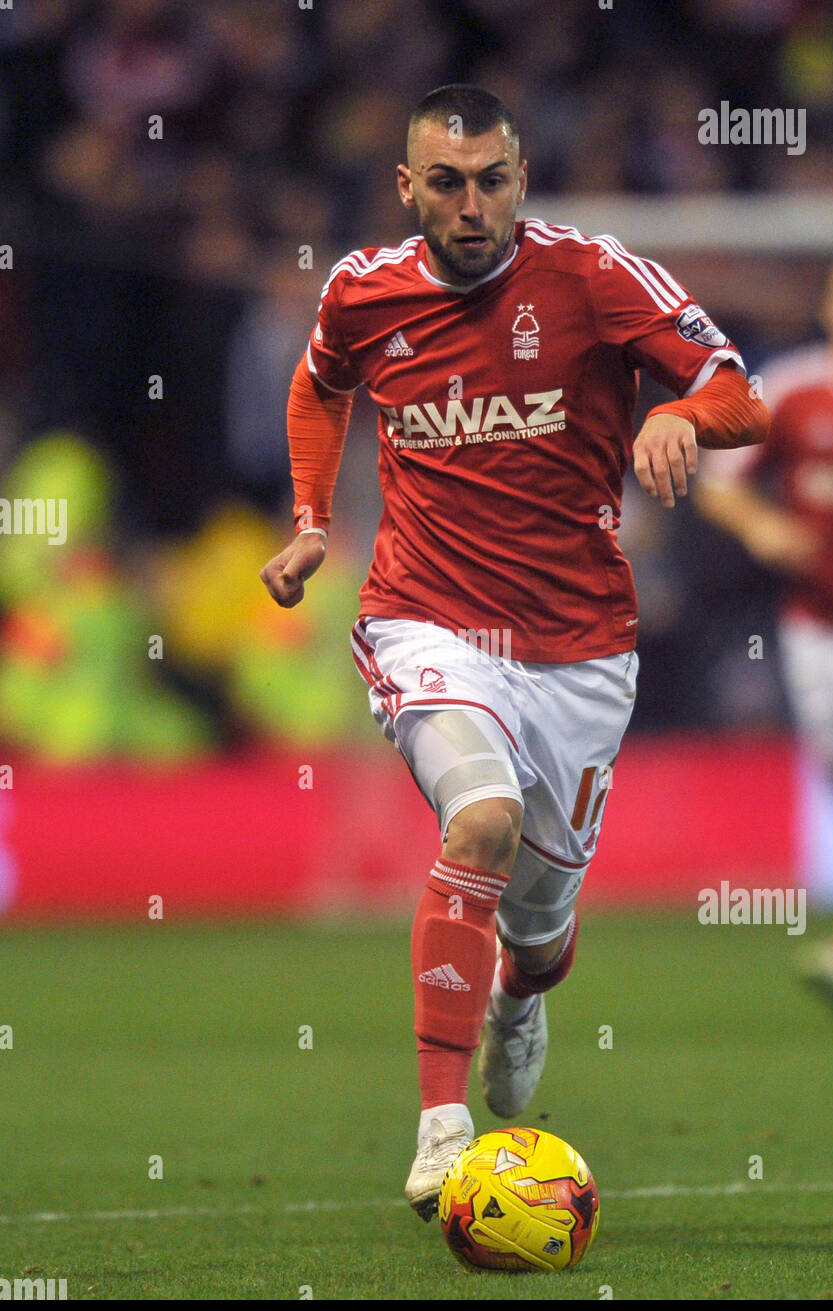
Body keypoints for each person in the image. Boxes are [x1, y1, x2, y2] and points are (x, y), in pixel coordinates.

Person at [261, 85, 769, 1218]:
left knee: (538, 934)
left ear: (520, 179)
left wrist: (684, 415)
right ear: (408, 189)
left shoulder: (594, 277)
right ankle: (443, 1127)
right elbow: (317, 383)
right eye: (446, 181)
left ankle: (521, 994)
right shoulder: (362, 292)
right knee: (478, 818)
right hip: (425, 618)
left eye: (491, 178)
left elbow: (744, 391)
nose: (471, 202)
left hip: (579, 649)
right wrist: (307, 519)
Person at [697, 256, 833, 1015]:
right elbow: (717, 483)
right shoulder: (791, 391)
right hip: (814, 630)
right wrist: (763, 525)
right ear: (832, 310)